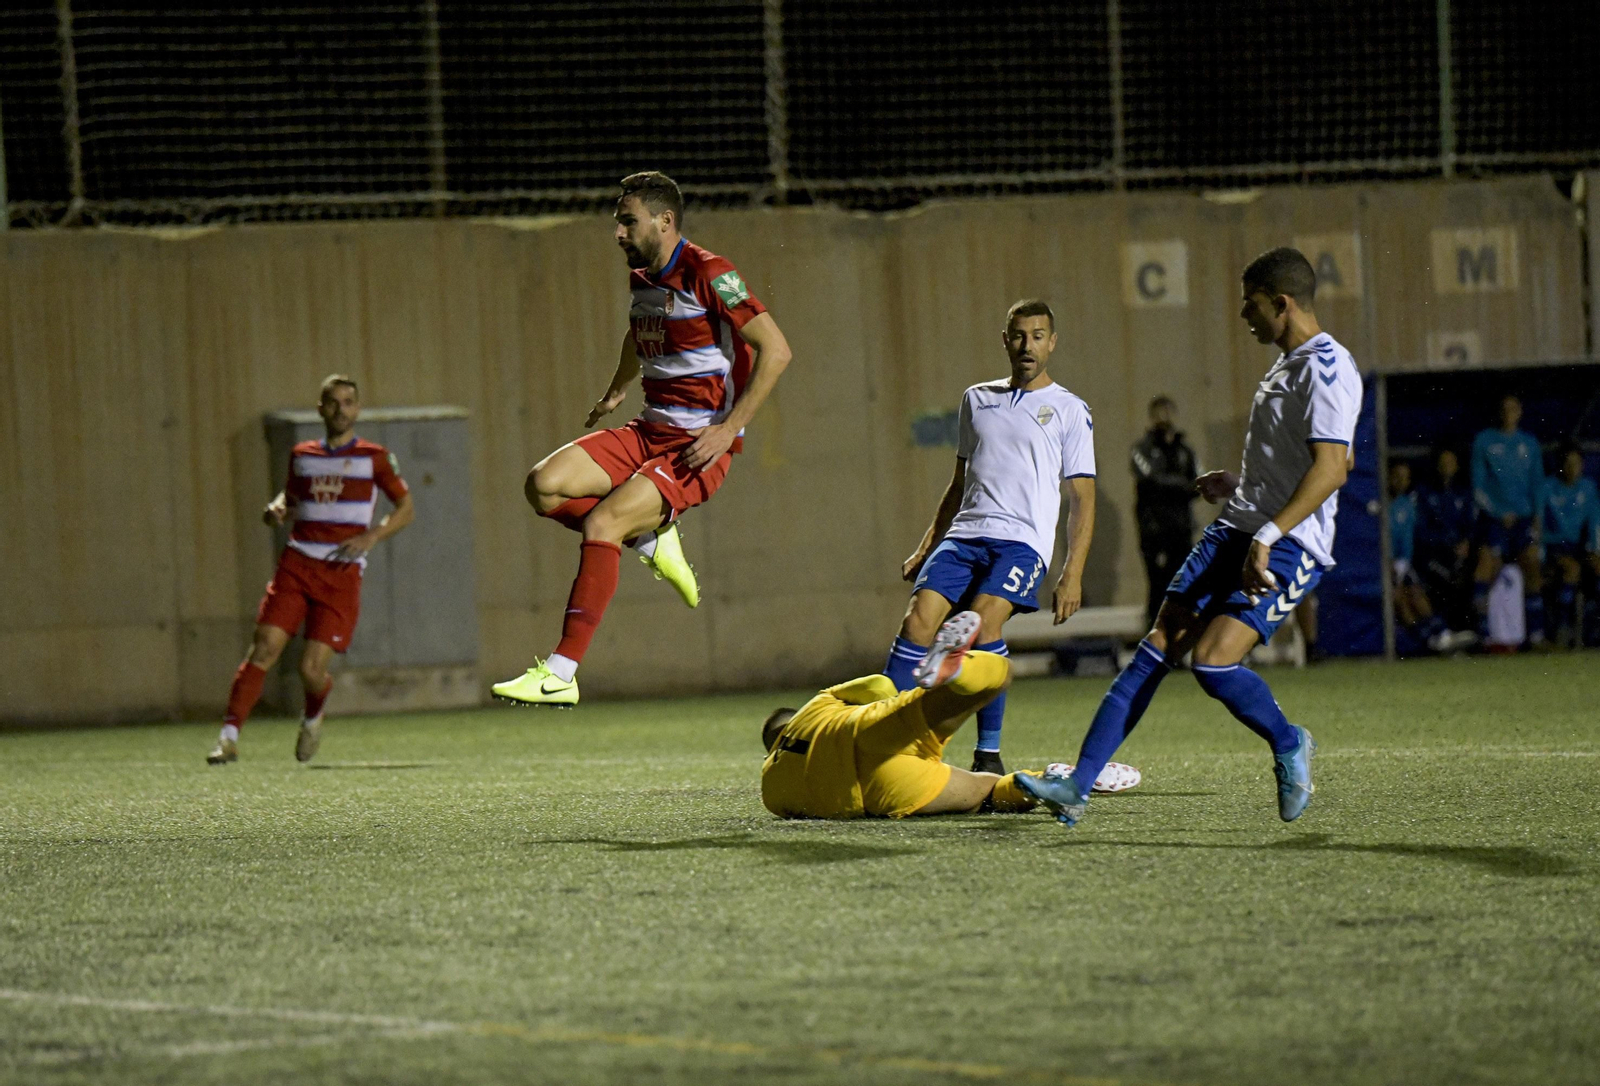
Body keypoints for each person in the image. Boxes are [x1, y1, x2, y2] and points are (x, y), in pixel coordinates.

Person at [1020, 247, 1359, 828]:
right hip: (1236, 528)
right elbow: (1304, 458)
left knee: (1214, 664)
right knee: (1156, 648)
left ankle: (1289, 742)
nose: (1243, 315)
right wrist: (1240, 485)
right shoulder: (1286, 365)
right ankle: (1077, 784)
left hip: (1289, 543)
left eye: (1251, 304)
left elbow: (1333, 469)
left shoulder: (1328, 366)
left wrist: (1270, 533)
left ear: (1281, 303)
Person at [493, 171, 793, 707]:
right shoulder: (643, 276)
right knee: (543, 486)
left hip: (695, 447)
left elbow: (777, 350)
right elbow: (640, 333)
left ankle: (560, 673)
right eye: (618, 222)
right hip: (647, 429)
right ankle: (650, 539)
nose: (618, 233)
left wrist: (728, 430)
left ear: (665, 220)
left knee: (603, 522)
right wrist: (616, 389)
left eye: (628, 222)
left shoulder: (711, 272)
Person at [883, 300, 1096, 776]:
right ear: (1005, 340)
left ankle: (988, 755)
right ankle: (882, 739)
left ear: (1052, 343)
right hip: (965, 535)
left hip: (1022, 543)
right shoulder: (976, 399)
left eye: (1037, 336)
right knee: (917, 623)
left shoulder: (1070, 409)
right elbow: (958, 484)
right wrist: (927, 545)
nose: (1027, 346)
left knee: (981, 625)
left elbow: (1083, 498)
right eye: (1019, 336)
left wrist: (1073, 572)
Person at [208, 375, 414, 765]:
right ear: (321, 408)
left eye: (348, 402)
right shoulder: (302, 454)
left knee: (311, 670)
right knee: (264, 648)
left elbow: (406, 508)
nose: (341, 409)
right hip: (298, 564)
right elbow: (292, 497)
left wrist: (371, 536)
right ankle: (228, 738)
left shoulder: (374, 457)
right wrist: (278, 508)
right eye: (333, 402)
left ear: (357, 409)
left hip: (341, 573)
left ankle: (313, 715)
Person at [762, 613, 1138, 820]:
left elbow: (797, 808)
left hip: (874, 794)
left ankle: (1050, 780)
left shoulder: (771, 787)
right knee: (998, 676)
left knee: (987, 792)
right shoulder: (817, 706)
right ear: (790, 720)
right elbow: (879, 686)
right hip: (869, 731)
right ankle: (957, 671)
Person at [1470, 395, 1544, 645]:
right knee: (1485, 565)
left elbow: (1537, 484)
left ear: (1520, 411)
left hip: (1522, 518)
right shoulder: (1484, 441)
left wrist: (1537, 517)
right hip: (1494, 519)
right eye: (1504, 409)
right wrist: (1499, 513)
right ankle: (1484, 635)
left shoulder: (1529, 443)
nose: (1508, 413)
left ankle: (1536, 634)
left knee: (1531, 563)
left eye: (1513, 408)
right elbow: (1478, 487)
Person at [1390, 462, 1472, 653]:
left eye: (1405, 478)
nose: (1400, 482)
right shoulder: (1380, 504)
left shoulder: (1406, 505)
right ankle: (1430, 641)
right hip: (1381, 565)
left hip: (1399, 564)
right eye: (1396, 476)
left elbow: (1407, 540)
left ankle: (1441, 635)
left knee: (1415, 591)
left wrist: (1402, 563)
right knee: (1398, 597)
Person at [1132, 396, 1199, 625]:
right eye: (1159, 413)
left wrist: (1182, 486)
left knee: (1182, 584)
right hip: (1154, 530)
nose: (1164, 418)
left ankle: (1178, 635)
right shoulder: (1142, 449)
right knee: (1158, 585)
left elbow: (1198, 483)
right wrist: (1182, 485)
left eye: (1168, 412)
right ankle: (1154, 633)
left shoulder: (1185, 451)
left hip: (1181, 528)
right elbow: (1150, 479)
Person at [1537, 443, 1600, 646]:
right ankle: (1563, 627)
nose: (1572, 469)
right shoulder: (1547, 487)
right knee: (1571, 569)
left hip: (1578, 547)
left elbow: (1594, 523)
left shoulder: (1588, 488)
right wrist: (1541, 555)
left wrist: (1595, 550)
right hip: (1554, 546)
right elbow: (1538, 523)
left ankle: (1593, 630)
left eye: (1577, 464)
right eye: (1568, 463)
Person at [1415, 448, 1476, 633]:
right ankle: (1445, 631)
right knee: (1445, 582)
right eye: (1442, 463)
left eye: (1450, 463)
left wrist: (1465, 542)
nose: (1446, 467)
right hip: (1434, 554)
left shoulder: (1463, 493)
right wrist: (1445, 543)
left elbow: (1470, 525)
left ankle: (1471, 630)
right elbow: (1421, 531)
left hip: (1459, 554)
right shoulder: (1425, 493)